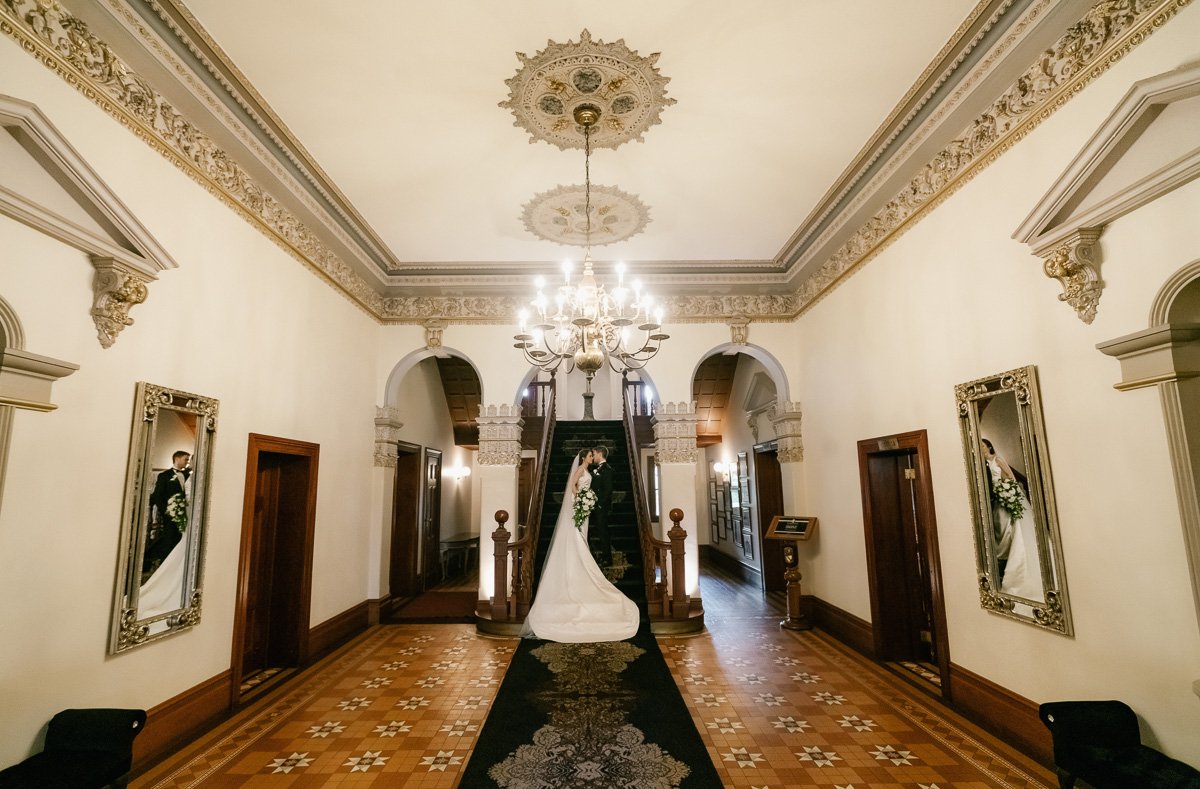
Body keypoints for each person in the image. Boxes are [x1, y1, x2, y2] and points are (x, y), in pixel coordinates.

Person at [521, 448, 639, 642]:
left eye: (593, 455)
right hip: (580, 506)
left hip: (584, 507)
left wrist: (586, 499)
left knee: (581, 535)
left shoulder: (589, 471)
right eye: (590, 455)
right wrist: (579, 499)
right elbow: (572, 485)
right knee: (577, 536)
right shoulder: (580, 470)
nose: (592, 458)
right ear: (584, 457)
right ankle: (578, 561)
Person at [981, 438, 1044, 601]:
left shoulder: (997, 460)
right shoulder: (984, 464)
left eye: (983, 445)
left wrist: (1006, 489)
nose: (981, 448)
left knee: (1008, 526)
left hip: (1003, 493)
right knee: (999, 527)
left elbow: (1010, 476)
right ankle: (1001, 557)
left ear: (989, 446)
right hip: (996, 498)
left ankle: (1008, 559)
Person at [144, 451, 191, 573]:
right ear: (177, 459)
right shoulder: (164, 476)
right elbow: (157, 496)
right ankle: (164, 568)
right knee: (168, 541)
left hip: (185, 515)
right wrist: (167, 511)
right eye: (186, 459)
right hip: (170, 515)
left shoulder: (187, 476)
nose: (187, 462)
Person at [589, 445, 614, 566]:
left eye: (594, 454)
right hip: (594, 505)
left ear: (600, 454)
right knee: (597, 531)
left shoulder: (607, 469)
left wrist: (599, 504)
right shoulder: (598, 469)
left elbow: (608, 490)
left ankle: (607, 558)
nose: (593, 457)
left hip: (601, 507)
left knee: (603, 532)